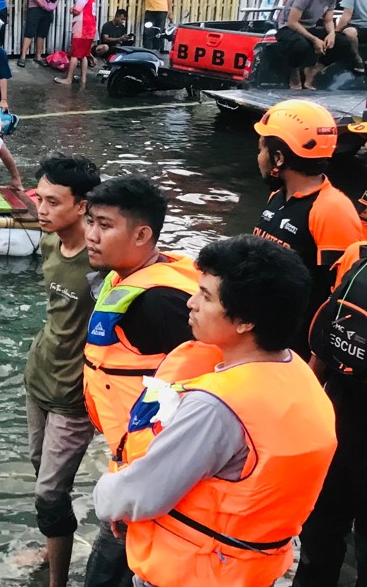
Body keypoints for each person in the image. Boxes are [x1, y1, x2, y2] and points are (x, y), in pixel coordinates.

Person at [93, 235, 336, 587]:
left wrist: (108, 494)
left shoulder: (216, 407)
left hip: (194, 572)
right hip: (250, 571)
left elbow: (140, 495)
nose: (190, 303)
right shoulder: (297, 373)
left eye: (205, 296)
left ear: (245, 322)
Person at [82, 175, 199, 587]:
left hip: (153, 476)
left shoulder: (160, 303)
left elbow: (206, 388)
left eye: (105, 225)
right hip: (131, 464)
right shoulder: (125, 278)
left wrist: (150, 484)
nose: (91, 235)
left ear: (142, 234)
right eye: (90, 221)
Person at [26, 154, 102, 587]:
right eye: (40, 199)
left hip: (74, 395)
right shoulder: (50, 240)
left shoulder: (101, 262)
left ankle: (56, 583)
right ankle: (52, 543)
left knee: (50, 492)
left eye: (54, 202)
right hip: (38, 375)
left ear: (83, 206)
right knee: (43, 478)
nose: (42, 210)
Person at [252, 98, 361, 357]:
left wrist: (316, 365)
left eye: (261, 149)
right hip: (264, 336)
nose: (258, 158)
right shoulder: (278, 197)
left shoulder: (331, 210)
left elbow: (340, 304)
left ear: (278, 158)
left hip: (296, 352)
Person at [295, 238, 367, 586]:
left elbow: (325, 338)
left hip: (339, 421)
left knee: (322, 533)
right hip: (338, 421)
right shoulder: (359, 258)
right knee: (321, 531)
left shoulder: (360, 260)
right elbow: (330, 331)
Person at [276, 0, 355, 88]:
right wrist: (315, 40)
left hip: (310, 27)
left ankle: (312, 71)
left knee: (343, 42)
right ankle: (294, 73)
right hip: (288, 28)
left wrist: (332, 34)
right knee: (299, 46)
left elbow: (328, 20)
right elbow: (292, 22)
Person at [19, 0, 61, 67]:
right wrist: (42, 4)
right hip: (35, 8)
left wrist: (52, 7)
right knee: (29, 32)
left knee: (42, 33)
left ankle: (38, 56)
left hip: (48, 10)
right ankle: (23, 56)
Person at [55, 0, 97, 87]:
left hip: (81, 29)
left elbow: (76, 11)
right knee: (84, 55)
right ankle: (83, 79)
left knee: (74, 54)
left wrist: (71, 9)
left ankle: (69, 79)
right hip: (90, 29)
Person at [335, 0, 367, 74]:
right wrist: (335, 32)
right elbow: (346, 15)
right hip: (357, 25)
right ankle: (357, 58)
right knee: (349, 32)